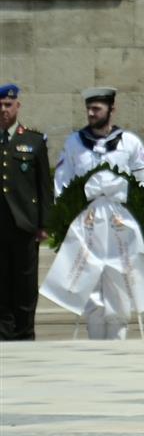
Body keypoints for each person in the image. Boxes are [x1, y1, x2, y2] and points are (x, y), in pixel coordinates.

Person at [48, 86, 144, 340]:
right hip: (88, 225)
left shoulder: (130, 143)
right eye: (89, 108)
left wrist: (134, 214)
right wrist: (67, 217)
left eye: (97, 108)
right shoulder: (74, 143)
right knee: (91, 285)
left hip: (119, 226)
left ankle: (118, 343)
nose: (91, 113)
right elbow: (62, 184)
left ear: (111, 109)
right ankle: (95, 343)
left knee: (119, 283)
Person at [0, 84, 51, 341]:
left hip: (23, 224)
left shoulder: (33, 140)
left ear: (17, 106)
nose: (3, 109)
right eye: (0, 105)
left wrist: (44, 223)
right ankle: (3, 332)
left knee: (25, 283)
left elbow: (44, 186)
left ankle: (24, 331)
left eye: (8, 105)